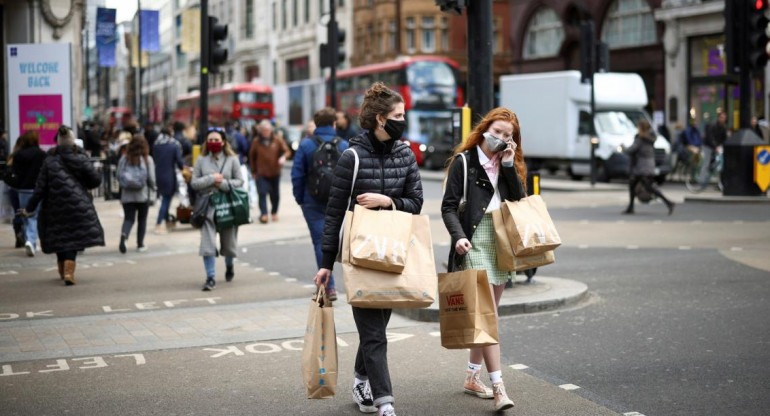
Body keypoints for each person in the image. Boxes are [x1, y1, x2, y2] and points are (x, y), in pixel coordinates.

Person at [313, 82, 423, 416]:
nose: (403, 120)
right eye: (398, 115)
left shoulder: (405, 154)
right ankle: (385, 402)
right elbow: (333, 213)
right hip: (360, 255)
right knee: (374, 333)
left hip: (393, 253)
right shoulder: (352, 157)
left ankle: (361, 376)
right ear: (379, 119)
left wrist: (387, 201)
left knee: (377, 327)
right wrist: (326, 264)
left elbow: (416, 203)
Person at [441, 107, 524, 412]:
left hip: (500, 242)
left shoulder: (506, 164)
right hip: (473, 241)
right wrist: (458, 235)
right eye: (498, 131)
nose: (501, 137)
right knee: (488, 318)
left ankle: (471, 377)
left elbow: (518, 202)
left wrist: (509, 166)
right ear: (486, 128)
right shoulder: (465, 162)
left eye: (508, 135)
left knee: (488, 317)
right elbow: (448, 207)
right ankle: (500, 387)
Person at [21, 126, 105, 285]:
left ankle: (63, 268)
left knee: (60, 236)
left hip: (53, 207)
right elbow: (96, 181)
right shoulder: (80, 158)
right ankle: (69, 269)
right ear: (72, 142)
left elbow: (39, 189)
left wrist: (29, 208)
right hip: (79, 205)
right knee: (73, 237)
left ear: (58, 143)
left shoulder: (49, 160)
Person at [291, 107, 349, 301]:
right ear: (334, 124)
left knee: (320, 241)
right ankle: (350, 283)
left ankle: (328, 287)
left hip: (312, 200)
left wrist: (300, 198)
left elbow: (297, 175)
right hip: (338, 201)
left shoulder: (306, 145)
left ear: (316, 124)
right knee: (341, 243)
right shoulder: (343, 145)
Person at [191, 127, 244, 291]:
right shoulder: (201, 160)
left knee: (228, 244)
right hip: (207, 207)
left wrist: (224, 184)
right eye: (211, 140)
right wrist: (210, 179)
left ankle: (229, 265)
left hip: (226, 206)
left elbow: (239, 181)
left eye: (217, 140)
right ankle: (210, 277)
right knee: (207, 243)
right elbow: (194, 183)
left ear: (223, 142)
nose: (214, 143)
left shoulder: (232, 159)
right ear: (207, 142)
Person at [623, 119, 675, 215]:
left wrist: (623, 148)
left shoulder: (640, 139)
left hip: (641, 168)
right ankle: (630, 207)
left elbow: (631, 150)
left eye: (638, 127)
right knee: (633, 185)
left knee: (649, 187)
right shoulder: (650, 139)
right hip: (648, 165)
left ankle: (669, 202)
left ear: (641, 129)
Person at [10, 131, 47, 256]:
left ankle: (28, 239)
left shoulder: (18, 154)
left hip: (22, 189)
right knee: (34, 215)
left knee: (25, 215)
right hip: (36, 189)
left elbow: (14, 171)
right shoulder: (41, 154)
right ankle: (31, 241)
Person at [117, 135, 156, 253]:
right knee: (142, 219)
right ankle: (140, 244)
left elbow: (118, 175)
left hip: (127, 195)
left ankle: (124, 236)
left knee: (128, 218)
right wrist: (154, 188)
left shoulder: (124, 159)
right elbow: (151, 178)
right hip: (142, 195)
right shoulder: (147, 159)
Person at [248, 120, 290, 224]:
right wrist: (253, 171)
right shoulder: (256, 141)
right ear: (261, 131)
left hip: (275, 171)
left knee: (275, 194)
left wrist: (283, 157)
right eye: (264, 130)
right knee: (262, 193)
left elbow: (287, 151)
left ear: (271, 130)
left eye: (267, 130)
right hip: (261, 172)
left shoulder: (277, 139)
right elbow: (252, 157)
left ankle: (274, 212)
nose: (266, 132)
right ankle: (264, 214)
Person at [152, 125, 184, 234]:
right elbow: (179, 162)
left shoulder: (156, 145)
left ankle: (167, 221)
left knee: (164, 198)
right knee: (166, 200)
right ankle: (158, 223)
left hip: (158, 175)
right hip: (169, 175)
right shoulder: (173, 146)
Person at [699, 111, 727, 190]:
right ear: (718, 118)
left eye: (724, 118)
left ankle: (720, 183)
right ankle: (701, 181)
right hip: (708, 146)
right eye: (722, 117)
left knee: (720, 163)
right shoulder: (713, 125)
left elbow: (724, 139)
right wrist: (716, 147)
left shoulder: (723, 127)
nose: (723, 119)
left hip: (716, 146)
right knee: (706, 162)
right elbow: (710, 137)